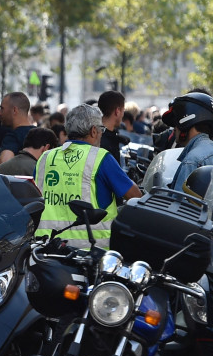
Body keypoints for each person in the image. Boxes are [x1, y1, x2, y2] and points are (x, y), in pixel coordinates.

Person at [34, 104, 140, 248]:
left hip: (45, 248)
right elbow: (135, 197)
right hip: (90, 254)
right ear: (93, 131)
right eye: (101, 129)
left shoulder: (46, 158)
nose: (102, 134)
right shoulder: (101, 158)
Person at [164, 92, 213, 192]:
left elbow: (178, 205)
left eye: (176, 123)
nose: (174, 129)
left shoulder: (192, 161)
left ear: (186, 122)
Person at [0, 92, 33, 164]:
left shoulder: (13, 137)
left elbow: (4, 165)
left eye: (2, 109)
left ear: (14, 110)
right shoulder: (43, 134)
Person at [98, 90, 125, 159]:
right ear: (117, 111)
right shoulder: (104, 142)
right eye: (123, 111)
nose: (123, 115)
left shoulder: (94, 135)